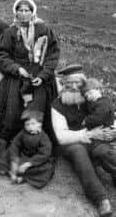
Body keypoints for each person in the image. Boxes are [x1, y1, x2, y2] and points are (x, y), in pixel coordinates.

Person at [0, 0, 60, 141]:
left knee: (39, 105)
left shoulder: (44, 30)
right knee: (12, 106)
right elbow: (2, 54)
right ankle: (15, 141)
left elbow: (53, 55)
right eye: (20, 10)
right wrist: (16, 68)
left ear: (32, 11)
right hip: (17, 75)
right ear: (15, 13)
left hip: (40, 74)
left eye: (26, 10)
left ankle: (40, 141)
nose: (23, 13)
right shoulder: (10, 32)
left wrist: (43, 75)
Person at [52, 64, 116, 217]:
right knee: (79, 152)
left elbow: (109, 111)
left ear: (84, 84)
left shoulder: (90, 96)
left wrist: (114, 129)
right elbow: (61, 137)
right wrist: (90, 134)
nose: (74, 87)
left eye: (78, 83)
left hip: (95, 139)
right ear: (63, 84)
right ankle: (100, 198)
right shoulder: (57, 105)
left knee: (102, 151)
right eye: (69, 83)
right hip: (71, 143)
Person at [0, 110, 54, 188]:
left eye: (33, 124)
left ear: (40, 124)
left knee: (47, 169)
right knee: (8, 152)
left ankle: (24, 178)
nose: (30, 127)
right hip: (23, 156)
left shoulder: (43, 137)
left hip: (35, 161)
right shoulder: (23, 133)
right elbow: (15, 144)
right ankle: (11, 171)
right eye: (27, 124)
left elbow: (45, 154)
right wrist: (14, 159)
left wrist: (28, 164)